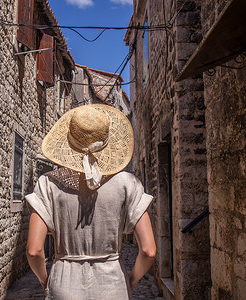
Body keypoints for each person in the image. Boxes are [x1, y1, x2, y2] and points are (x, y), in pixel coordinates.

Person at [25, 104, 156, 299]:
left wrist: (46, 281)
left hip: (64, 287)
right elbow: (148, 251)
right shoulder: (127, 184)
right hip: (113, 287)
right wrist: (131, 280)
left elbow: (34, 251)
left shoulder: (48, 184)